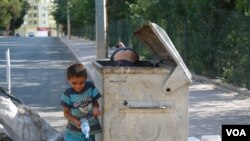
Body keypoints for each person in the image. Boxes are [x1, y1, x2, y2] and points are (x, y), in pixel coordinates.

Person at [60, 63, 101, 141]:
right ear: (68, 80)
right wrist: (75, 120)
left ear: (85, 78)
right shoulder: (68, 94)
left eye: (81, 83)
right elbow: (66, 113)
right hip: (74, 132)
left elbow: (95, 101)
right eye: (74, 83)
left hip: (90, 129)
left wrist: (96, 108)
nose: (78, 86)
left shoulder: (90, 87)